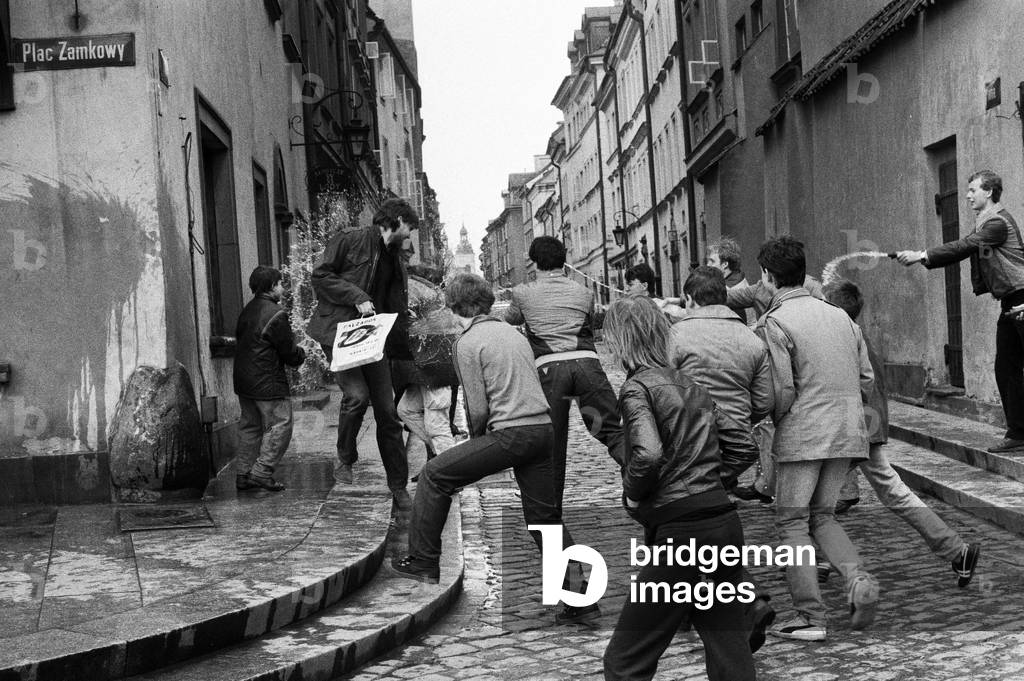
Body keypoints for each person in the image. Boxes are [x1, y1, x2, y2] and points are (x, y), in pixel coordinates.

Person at [390, 273, 598, 624]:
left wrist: (477, 443)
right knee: (543, 519)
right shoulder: (511, 333)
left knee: (435, 474)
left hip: (512, 435)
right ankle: (580, 597)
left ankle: (423, 560)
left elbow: (477, 407)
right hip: (543, 431)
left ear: (456, 307)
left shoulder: (467, 342)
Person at [601, 295, 763, 681]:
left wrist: (633, 493)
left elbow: (648, 455)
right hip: (723, 525)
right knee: (730, 652)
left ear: (621, 340)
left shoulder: (637, 387)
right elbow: (743, 446)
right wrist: (711, 480)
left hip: (682, 536)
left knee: (625, 659)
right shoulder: (690, 383)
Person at [755, 236, 879, 642]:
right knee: (822, 517)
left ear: (769, 277)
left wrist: (767, 419)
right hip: (847, 430)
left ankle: (810, 618)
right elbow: (866, 379)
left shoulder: (775, 322)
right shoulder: (841, 317)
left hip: (803, 433)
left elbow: (781, 390)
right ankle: (858, 578)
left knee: (792, 521)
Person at [824, 279, 981, 587]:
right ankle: (956, 550)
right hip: (869, 425)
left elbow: (861, 386)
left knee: (813, 503)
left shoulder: (846, 339)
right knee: (890, 492)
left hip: (856, 428)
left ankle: (813, 562)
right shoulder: (859, 336)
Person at [896, 169, 1024, 454]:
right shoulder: (985, 223)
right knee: (1006, 368)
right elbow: (965, 246)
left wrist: (922, 255)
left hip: (1023, 298)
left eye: (972, 190)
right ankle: (1018, 432)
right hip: (1010, 302)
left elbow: (963, 247)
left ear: (989, 192)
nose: (967, 196)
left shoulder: (997, 223)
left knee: (1011, 367)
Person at [306, 198, 418, 511]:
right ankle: (344, 458)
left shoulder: (395, 257)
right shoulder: (350, 239)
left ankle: (398, 486)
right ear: (396, 220)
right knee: (356, 396)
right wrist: (357, 296)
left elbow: (393, 300)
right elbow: (320, 276)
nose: (409, 237)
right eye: (408, 229)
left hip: (375, 338)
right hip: (341, 333)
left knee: (387, 412)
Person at [505, 236, 625, 507]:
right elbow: (589, 317)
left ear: (534, 263)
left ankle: (550, 505)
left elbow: (511, 318)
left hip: (550, 373)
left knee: (551, 442)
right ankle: (642, 474)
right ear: (564, 260)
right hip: (586, 368)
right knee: (608, 428)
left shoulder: (523, 293)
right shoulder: (583, 291)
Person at [233, 266, 306, 492]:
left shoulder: (246, 310)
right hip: (267, 382)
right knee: (280, 425)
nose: (282, 288)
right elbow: (288, 353)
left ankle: (243, 474)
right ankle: (262, 472)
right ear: (271, 287)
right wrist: (301, 353)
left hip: (244, 381)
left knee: (251, 427)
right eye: (280, 284)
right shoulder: (276, 313)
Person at [707, 236, 751, 323]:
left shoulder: (731, 289)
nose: (708, 265)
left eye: (712, 261)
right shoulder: (738, 280)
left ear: (725, 264)